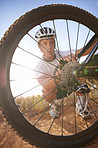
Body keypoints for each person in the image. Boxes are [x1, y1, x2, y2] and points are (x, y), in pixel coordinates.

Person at [35, 27, 97, 118]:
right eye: (45, 43)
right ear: (40, 48)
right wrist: (60, 71)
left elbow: (83, 51)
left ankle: (80, 106)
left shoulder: (63, 54)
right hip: (57, 90)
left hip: (71, 85)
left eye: (51, 42)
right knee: (45, 93)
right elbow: (46, 86)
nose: (49, 46)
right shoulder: (39, 67)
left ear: (55, 44)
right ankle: (53, 106)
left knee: (77, 68)